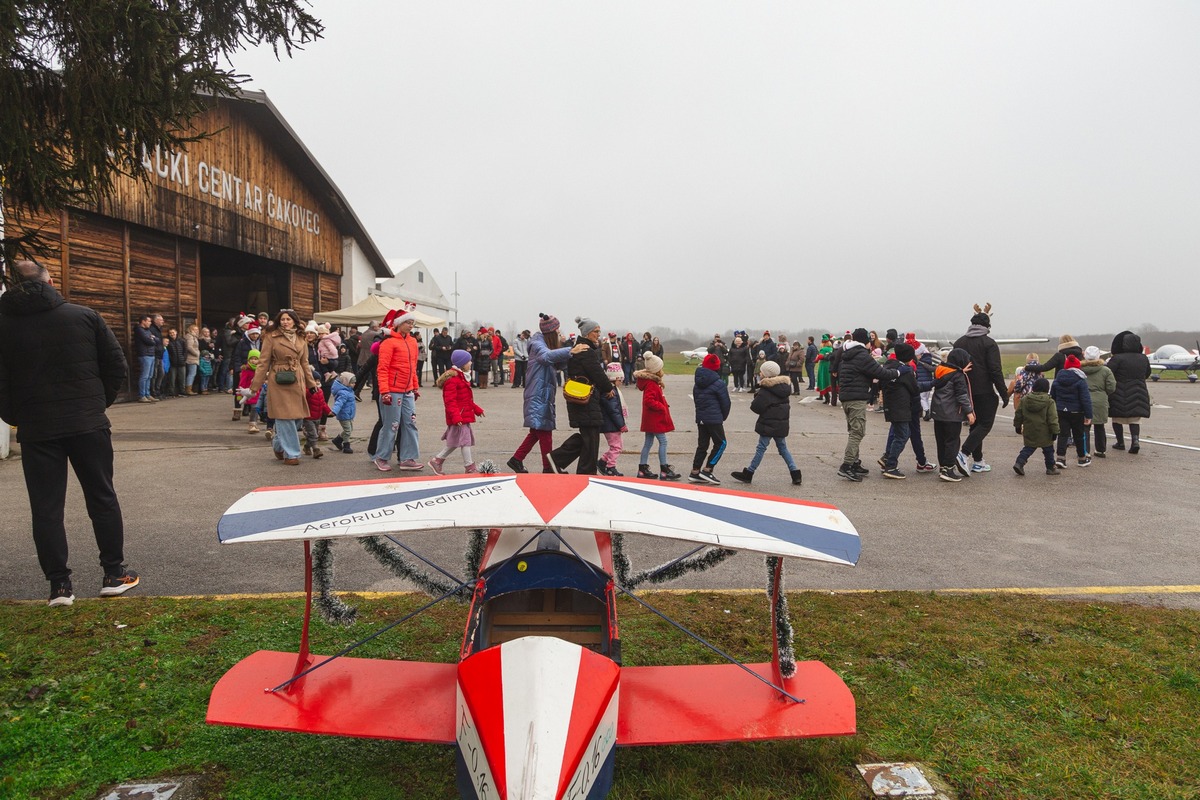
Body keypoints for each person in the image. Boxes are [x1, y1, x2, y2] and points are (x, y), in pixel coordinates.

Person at [0, 259, 138, 605]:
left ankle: (59, 586)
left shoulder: (3, 325)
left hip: (37, 428)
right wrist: (97, 403)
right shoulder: (83, 315)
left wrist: (15, 416)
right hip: (86, 423)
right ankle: (113, 573)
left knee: (46, 507)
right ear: (49, 281)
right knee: (102, 497)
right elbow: (116, 363)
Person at [242, 309, 321, 466]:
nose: (285, 322)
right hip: (279, 379)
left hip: (297, 379)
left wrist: (311, 384)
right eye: (283, 319)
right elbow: (263, 362)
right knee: (285, 418)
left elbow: (305, 362)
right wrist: (254, 387)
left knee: (298, 418)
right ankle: (291, 453)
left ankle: (278, 443)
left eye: (288, 319)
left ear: (294, 321)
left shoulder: (301, 336)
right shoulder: (271, 337)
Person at [507, 314, 579, 473]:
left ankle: (516, 459)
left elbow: (556, 363)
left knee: (537, 431)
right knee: (545, 431)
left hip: (542, 393)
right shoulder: (537, 344)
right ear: (551, 331)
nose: (559, 333)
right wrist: (571, 350)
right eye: (558, 330)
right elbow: (546, 356)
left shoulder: (543, 343)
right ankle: (549, 467)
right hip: (537, 394)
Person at [550, 316, 616, 475]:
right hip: (585, 400)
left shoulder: (584, 347)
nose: (598, 334)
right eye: (596, 331)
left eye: (599, 331)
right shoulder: (585, 350)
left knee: (588, 437)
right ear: (587, 333)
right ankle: (583, 471)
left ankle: (559, 460)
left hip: (583, 399)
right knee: (591, 438)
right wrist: (608, 388)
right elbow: (597, 373)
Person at [835, 328, 898, 482]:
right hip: (856, 398)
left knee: (853, 430)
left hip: (846, 396)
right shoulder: (862, 355)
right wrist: (897, 373)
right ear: (866, 341)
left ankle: (855, 463)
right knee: (858, 431)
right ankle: (847, 465)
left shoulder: (847, 353)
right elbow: (879, 372)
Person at [953, 309, 1009, 474]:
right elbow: (995, 370)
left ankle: (978, 461)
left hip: (964, 390)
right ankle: (964, 453)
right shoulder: (989, 343)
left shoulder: (959, 342)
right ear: (987, 326)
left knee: (975, 424)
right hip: (984, 390)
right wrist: (1003, 393)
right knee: (985, 424)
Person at [730, 359, 803, 486]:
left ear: (766, 374)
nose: (760, 373)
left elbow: (756, 407)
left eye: (762, 372)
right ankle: (795, 473)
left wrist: (757, 396)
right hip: (781, 423)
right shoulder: (783, 388)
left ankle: (749, 473)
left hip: (768, 424)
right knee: (783, 448)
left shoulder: (766, 389)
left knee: (761, 448)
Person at [372, 308, 423, 471]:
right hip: (392, 390)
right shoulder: (388, 343)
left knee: (410, 423)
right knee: (391, 425)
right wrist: (385, 391)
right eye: (408, 322)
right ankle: (381, 457)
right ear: (399, 324)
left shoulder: (412, 342)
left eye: (412, 323)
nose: (411, 326)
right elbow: (382, 368)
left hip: (407, 390)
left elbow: (413, 367)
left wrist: (415, 386)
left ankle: (408, 458)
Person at [427, 349, 486, 474]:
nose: (471, 363)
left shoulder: (461, 377)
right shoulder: (453, 380)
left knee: (454, 442)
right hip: (459, 417)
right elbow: (450, 402)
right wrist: (456, 417)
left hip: (462, 416)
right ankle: (469, 467)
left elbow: (466, 400)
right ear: (461, 363)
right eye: (468, 361)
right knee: (465, 442)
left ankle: (437, 461)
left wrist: (477, 409)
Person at [930, 348, 976, 483]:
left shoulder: (940, 370)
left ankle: (943, 466)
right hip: (951, 414)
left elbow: (950, 375)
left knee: (941, 441)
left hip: (938, 413)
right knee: (952, 441)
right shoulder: (958, 376)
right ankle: (949, 468)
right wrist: (969, 412)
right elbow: (961, 395)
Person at [634, 352, 680, 480]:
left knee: (648, 442)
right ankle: (664, 469)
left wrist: (664, 403)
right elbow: (649, 401)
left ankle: (642, 468)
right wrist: (661, 406)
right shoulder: (651, 384)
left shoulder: (652, 383)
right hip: (654, 418)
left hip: (651, 418)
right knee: (663, 441)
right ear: (656, 370)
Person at [879, 342, 920, 479]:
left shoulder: (889, 367)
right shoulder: (906, 371)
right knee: (902, 436)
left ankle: (887, 459)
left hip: (891, 406)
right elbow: (915, 389)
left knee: (899, 434)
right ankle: (891, 465)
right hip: (901, 408)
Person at [1106, 330, 1151, 454]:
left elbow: (1108, 373)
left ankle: (1120, 442)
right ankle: (1135, 441)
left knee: (1116, 418)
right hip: (1139, 390)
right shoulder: (1143, 358)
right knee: (1135, 419)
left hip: (1119, 391)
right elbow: (1147, 373)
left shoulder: (1117, 358)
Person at [689, 353, 730, 484]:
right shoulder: (719, 383)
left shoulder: (698, 382)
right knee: (721, 443)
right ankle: (708, 469)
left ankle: (695, 471)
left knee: (702, 445)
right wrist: (722, 416)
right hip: (714, 418)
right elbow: (726, 403)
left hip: (701, 417)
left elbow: (697, 400)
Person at [1051, 354, 1093, 468]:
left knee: (1063, 435)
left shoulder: (1058, 379)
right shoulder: (1080, 380)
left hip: (1061, 410)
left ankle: (1060, 457)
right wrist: (1088, 414)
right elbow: (1085, 399)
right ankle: (1082, 458)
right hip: (1076, 412)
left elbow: (1052, 396)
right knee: (1079, 435)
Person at [1013, 378, 1060, 476]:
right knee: (1048, 450)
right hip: (1045, 431)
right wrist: (1055, 431)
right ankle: (1050, 467)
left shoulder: (1025, 399)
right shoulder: (1049, 401)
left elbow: (1019, 414)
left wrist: (1017, 426)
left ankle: (1019, 463)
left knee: (1028, 448)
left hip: (1030, 429)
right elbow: (1052, 418)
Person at [1081, 345, 1116, 458]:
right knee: (1100, 426)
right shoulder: (1106, 370)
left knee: (1085, 427)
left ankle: (1085, 451)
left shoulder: (1079, 370)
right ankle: (1100, 450)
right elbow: (1111, 387)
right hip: (1100, 400)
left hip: (1083, 399)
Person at [598, 361, 628, 476]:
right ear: (614, 379)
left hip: (611, 424)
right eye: (620, 379)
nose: (621, 382)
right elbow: (613, 411)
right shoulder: (610, 392)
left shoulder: (613, 390)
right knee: (616, 447)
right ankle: (610, 467)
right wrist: (621, 425)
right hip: (611, 425)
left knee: (617, 446)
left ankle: (602, 461)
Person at [329, 371, 357, 454]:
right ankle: (346, 445)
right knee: (348, 430)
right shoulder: (343, 393)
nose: (354, 384)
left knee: (349, 429)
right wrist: (334, 411)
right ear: (346, 382)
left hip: (348, 414)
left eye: (354, 382)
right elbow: (339, 403)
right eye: (352, 383)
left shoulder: (349, 390)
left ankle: (338, 440)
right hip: (344, 415)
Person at [133, 315, 159, 402]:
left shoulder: (148, 330)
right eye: (148, 321)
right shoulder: (139, 330)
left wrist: (153, 338)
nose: (150, 323)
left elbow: (158, 340)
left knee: (150, 376)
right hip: (144, 355)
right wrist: (152, 339)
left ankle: (147, 394)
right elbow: (148, 341)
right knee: (144, 376)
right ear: (143, 321)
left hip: (151, 354)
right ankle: (142, 395)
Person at [239, 350, 263, 433]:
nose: (253, 361)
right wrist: (240, 392)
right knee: (254, 407)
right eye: (251, 359)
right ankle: (252, 424)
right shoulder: (246, 369)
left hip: (259, 392)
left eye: (255, 359)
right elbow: (242, 381)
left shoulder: (261, 369)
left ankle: (255, 423)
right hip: (250, 392)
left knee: (258, 407)